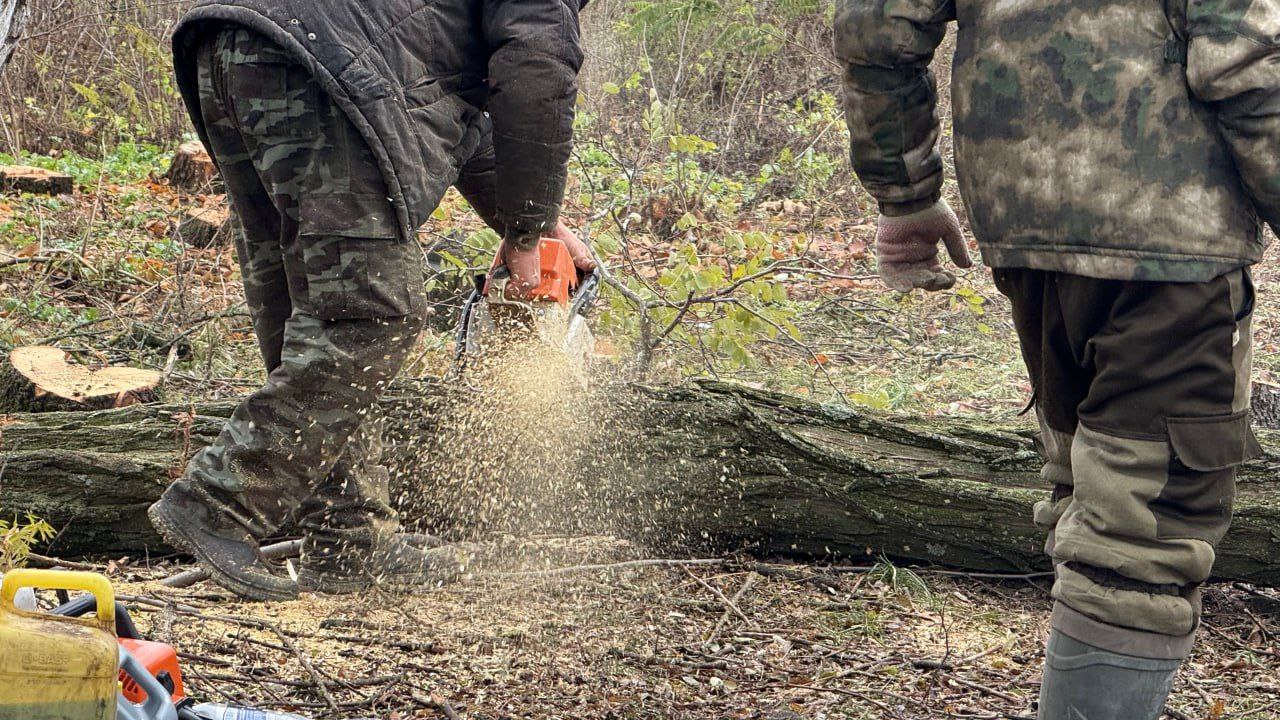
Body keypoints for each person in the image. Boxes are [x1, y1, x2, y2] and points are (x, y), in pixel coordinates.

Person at [835, 0, 1278, 716]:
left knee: (1096, 498)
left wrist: (903, 192)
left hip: (1029, 226)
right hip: (1170, 243)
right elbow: (1247, 58)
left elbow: (874, 25)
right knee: (1143, 534)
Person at [149, 0, 597, 602]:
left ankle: (348, 540)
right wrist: (525, 233)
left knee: (304, 306)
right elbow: (536, 72)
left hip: (238, 45)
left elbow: (455, 96)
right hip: (322, 68)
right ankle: (219, 501)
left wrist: (534, 224)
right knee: (372, 315)